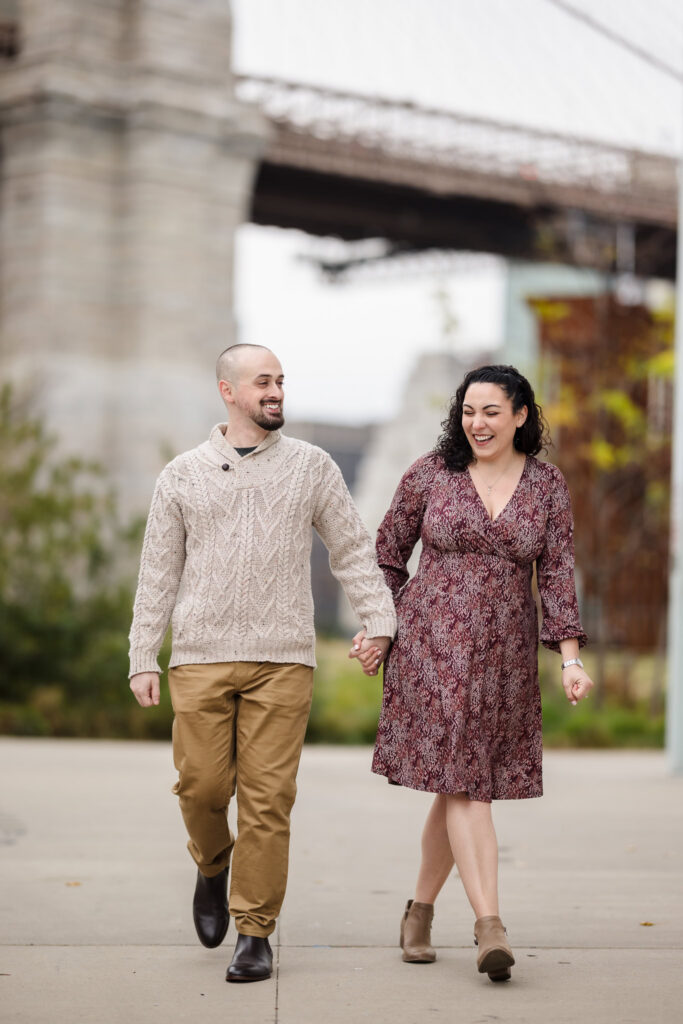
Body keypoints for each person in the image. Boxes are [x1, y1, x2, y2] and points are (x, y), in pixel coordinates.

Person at [128, 344, 395, 983]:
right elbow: (158, 571)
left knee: (269, 800)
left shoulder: (312, 468)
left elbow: (354, 549)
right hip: (199, 656)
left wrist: (380, 621)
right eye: (263, 383)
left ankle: (255, 931)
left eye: (281, 382)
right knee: (202, 788)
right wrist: (143, 653)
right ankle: (213, 866)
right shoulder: (182, 475)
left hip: (283, 659)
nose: (276, 392)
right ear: (229, 391)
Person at [351, 364, 593, 982]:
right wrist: (389, 623)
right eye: (468, 411)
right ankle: (490, 926)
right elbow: (386, 552)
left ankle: (419, 913)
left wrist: (569, 659)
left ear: (520, 415)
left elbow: (559, 573)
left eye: (491, 411)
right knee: (470, 788)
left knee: (457, 784)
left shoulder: (546, 485)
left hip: (503, 658)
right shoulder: (432, 473)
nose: (477, 423)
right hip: (431, 648)